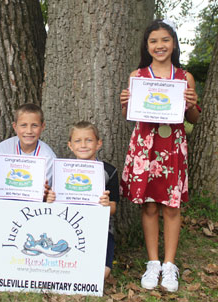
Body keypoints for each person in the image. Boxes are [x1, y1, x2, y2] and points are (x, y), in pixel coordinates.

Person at [119, 19, 200, 292]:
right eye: (153, 41)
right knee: (150, 205)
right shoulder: (138, 76)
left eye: (164, 40)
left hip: (173, 145)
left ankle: (169, 265)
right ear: (147, 46)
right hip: (145, 146)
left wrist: (190, 104)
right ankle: (153, 262)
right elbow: (129, 116)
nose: (159, 45)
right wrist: (125, 104)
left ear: (173, 44)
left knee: (171, 206)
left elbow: (194, 119)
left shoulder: (184, 77)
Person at [47, 121, 119, 279]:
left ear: (98, 143)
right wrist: (50, 200)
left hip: (99, 230)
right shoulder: (61, 170)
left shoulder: (109, 171)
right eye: (78, 141)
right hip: (66, 228)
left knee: (102, 274)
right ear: (70, 145)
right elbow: (52, 206)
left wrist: (106, 205)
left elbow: (113, 208)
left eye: (89, 140)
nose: (83, 145)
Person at [0, 103, 56, 197]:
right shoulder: (5, 147)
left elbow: (41, 191)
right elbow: (1, 179)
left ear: (42, 127)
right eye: (23, 125)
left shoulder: (48, 156)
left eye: (34, 125)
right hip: (7, 200)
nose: (29, 131)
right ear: (15, 127)